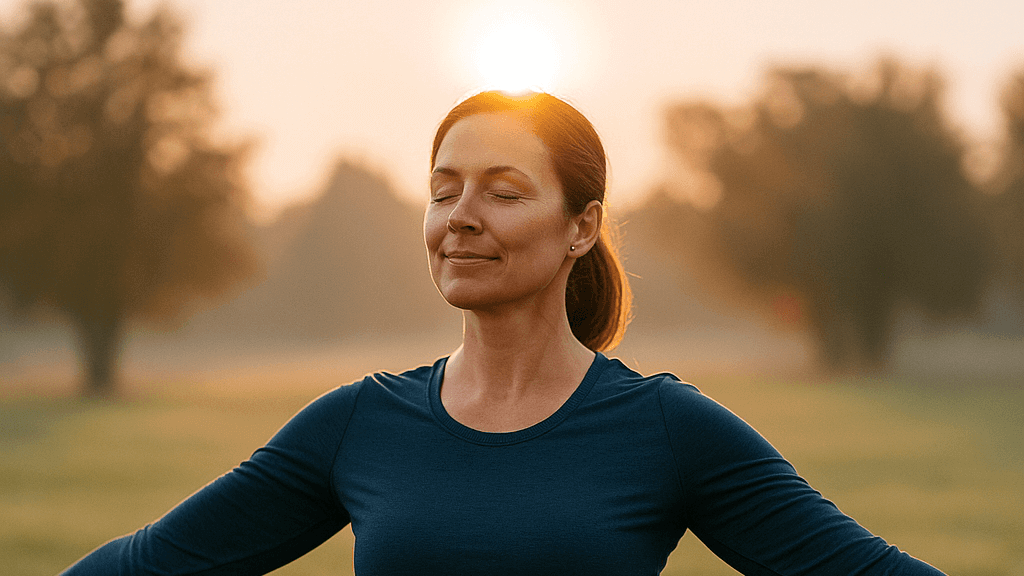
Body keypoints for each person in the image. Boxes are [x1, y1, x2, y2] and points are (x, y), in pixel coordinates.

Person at [63, 90, 945, 575]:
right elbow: (153, 565)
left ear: (581, 226)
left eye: (503, 191)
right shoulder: (357, 425)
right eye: (443, 191)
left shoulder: (669, 431)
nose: (461, 217)